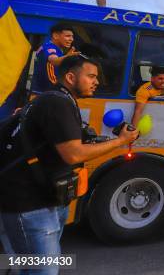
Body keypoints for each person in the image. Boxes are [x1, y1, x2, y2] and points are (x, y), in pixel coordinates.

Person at [0, 55, 139, 270]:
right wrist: (121, 141)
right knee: (44, 270)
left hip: (41, 200)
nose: (96, 82)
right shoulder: (57, 103)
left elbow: (59, 145)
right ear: (71, 77)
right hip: (30, 205)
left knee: (25, 266)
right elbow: (73, 154)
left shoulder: (55, 100)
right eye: (91, 76)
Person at [31, 23, 80, 94]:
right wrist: (67, 57)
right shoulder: (49, 47)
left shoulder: (58, 50)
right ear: (55, 36)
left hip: (47, 92)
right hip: (42, 93)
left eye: (72, 37)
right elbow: (54, 61)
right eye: (67, 36)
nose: (71, 39)